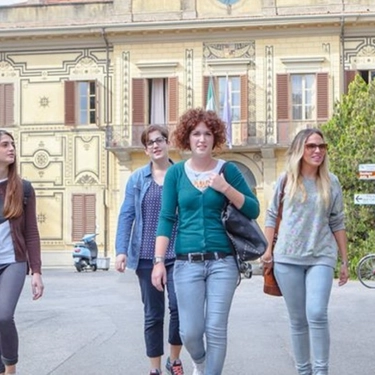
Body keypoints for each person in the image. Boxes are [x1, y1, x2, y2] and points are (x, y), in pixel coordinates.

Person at [151, 108, 260, 375]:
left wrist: (225, 188)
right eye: (196, 133)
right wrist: (158, 262)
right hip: (186, 263)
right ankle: (200, 362)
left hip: (223, 262)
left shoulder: (228, 171)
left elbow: (253, 209)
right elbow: (166, 218)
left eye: (207, 133)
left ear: (215, 138)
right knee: (190, 332)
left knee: (215, 328)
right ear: (187, 138)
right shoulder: (176, 174)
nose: (202, 139)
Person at [262, 128, 349, 375]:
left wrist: (344, 260)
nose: (318, 151)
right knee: (298, 320)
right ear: (300, 150)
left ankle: (321, 371)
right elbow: (271, 216)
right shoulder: (286, 180)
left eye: (321, 146)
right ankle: (304, 371)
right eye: (311, 146)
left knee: (317, 313)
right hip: (287, 259)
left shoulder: (331, 181)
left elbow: (337, 221)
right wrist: (268, 249)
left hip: (321, 255)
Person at [115, 125, 183, 375]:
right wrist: (121, 250)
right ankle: (154, 369)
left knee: (179, 308)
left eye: (160, 140)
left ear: (168, 143)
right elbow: (126, 215)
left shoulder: (182, 174)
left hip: (178, 254)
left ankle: (174, 360)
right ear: (146, 150)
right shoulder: (136, 179)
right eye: (150, 142)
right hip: (145, 255)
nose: (155, 145)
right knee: (153, 315)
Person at [0, 129, 44, 375]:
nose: (11, 149)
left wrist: (36, 271)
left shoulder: (23, 188)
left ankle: (11, 369)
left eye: (12, 144)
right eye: (5, 144)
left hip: (13, 261)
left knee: (4, 316)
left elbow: (31, 232)